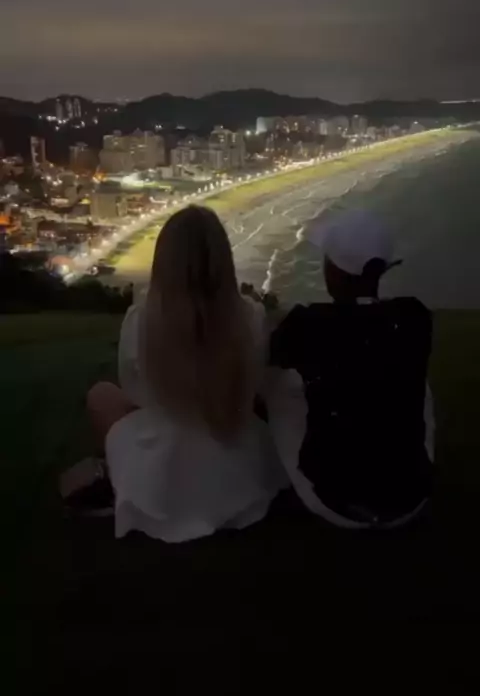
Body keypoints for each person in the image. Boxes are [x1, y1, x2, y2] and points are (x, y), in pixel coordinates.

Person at [81, 205, 286, 542]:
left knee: (101, 396)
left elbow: (132, 392)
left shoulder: (140, 320)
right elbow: (256, 384)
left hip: (163, 473)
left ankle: (124, 473)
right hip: (239, 466)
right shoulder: (251, 316)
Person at [268, 208, 434, 529]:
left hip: (335, 502)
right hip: (411, 498)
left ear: (332, 271)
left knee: (278, 384)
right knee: (417, 385)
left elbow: (274, 356)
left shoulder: (308, 324)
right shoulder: (414, 317)